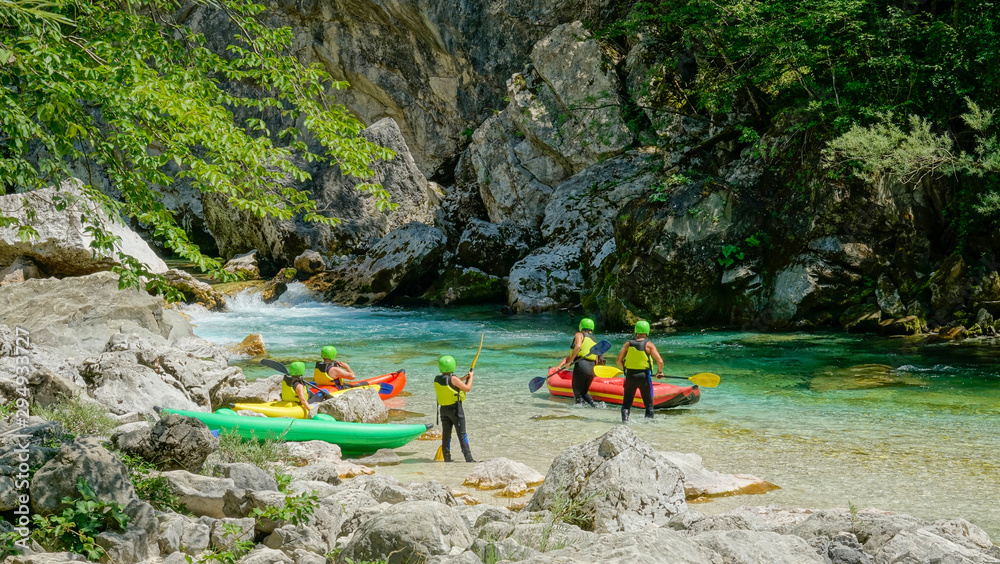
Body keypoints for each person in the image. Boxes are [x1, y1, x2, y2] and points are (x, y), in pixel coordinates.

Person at [615, 320, 664, 422]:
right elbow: (660, 361)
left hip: (630, 376)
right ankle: (648, 425)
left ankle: (625, 422)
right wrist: (659, 372)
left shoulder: (628, 344)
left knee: (626, 404)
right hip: (644, 376)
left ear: (636, 331)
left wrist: (625, 368)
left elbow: (618, 361)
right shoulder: (649, 345)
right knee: (649, 405)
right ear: (647, 331)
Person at [434, 355, 476, 462]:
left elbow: (451, 382)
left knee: (446, 435)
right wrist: (471, 377)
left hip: (443, 411)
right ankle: (469, 459)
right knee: (462, 434)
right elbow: (467, 388)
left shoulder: (437, 379)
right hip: (456, 411)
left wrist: (462, 378)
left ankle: (447, 459)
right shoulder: (453, 378)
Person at [554, 317, 601, 407]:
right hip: (592, 369)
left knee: (578, 394)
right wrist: (559, 366)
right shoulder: (594, 340)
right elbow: (596, 358)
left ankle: (578, 415)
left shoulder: (579, 335)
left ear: (581, 326)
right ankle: (595, 406)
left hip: (582, 366)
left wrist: (570, 362)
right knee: (584, 393)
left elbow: (578, 347)